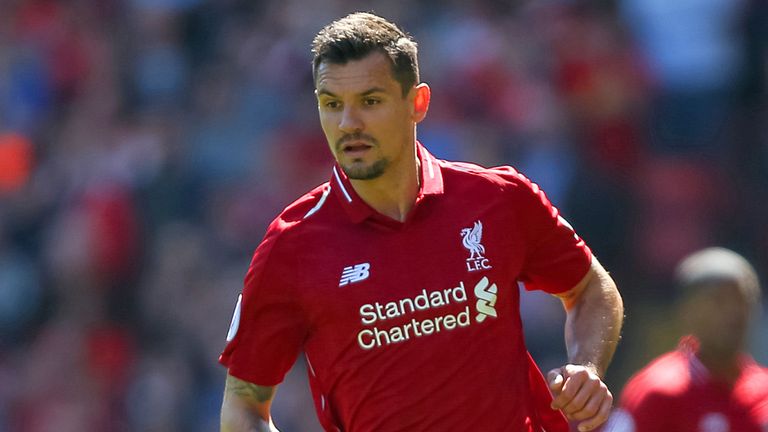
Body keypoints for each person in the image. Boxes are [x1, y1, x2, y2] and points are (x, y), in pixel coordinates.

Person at [219, 12, 624, 432]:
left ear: (417, 103)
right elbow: (243, 408)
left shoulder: (499, 198)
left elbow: (591, 288)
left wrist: (587, 366)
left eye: (370, 101)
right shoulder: (291, 245)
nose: (348, 124)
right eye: (332, 104)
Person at [604, 247, 768, 431]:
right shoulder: (658, 392)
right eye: (718, 301)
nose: (733, 312)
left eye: (742, 300)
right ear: (687, 311)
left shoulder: (764, 391)